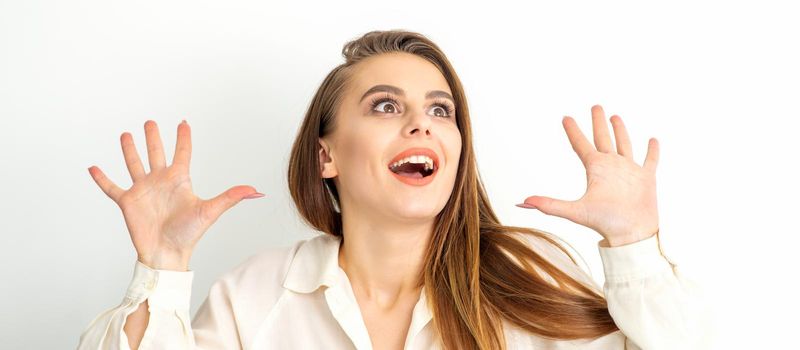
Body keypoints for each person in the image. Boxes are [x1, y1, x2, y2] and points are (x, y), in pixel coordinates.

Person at [78, 30, 712, 350]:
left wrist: (635, 245)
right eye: (385, 106)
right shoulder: (254, 296)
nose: (420, 123)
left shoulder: (529, 273)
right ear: (325, 155)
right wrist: (161, 267)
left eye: (442, 111)